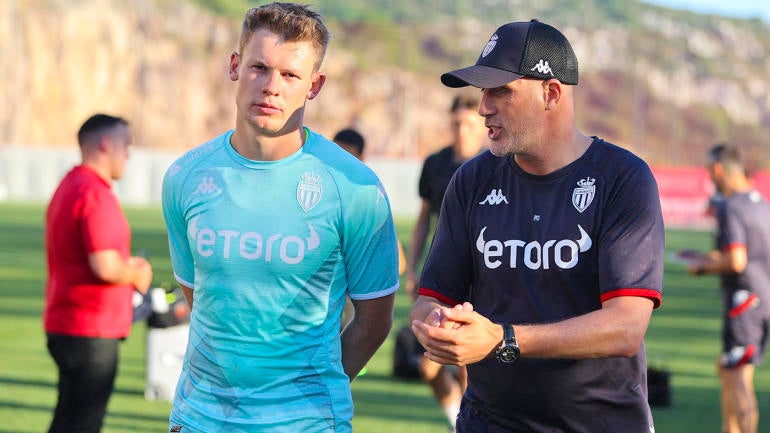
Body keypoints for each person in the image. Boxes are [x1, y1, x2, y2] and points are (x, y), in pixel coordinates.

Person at [409, 19, 665, 433]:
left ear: (551, 93)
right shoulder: (472, 181)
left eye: (500, 91)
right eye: (481, 91)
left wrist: (503, 339)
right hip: (487, 422)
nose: (482, 107)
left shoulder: (623, 178)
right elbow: (430, 299)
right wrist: (439, 327)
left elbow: (625, 327)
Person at [161, 4, 399, 432]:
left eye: (290, 75)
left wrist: (308, 392)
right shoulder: (185, 177)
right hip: (199, 420)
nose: (271, 86)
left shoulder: (354, 188)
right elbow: (200, 297)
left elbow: (375, 319)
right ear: (235, 66)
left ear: (315, 85)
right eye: (259, 67)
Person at [43, 114, 153, 433]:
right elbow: (104, 266)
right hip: (89, 329)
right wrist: (136, 273)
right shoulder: (94, 192)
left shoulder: (71, 183)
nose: (129, 154)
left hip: (69, 322)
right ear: (106, 144)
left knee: (68, 420)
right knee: (82, 424)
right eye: (126, 145)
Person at [403, 93, 486, 431]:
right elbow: (424, 218)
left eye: (468, 124)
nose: (462, 130)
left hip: (480, 278)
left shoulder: (495, 164)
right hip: (442, 276)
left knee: (467, 365)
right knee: (428, 368)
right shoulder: (435, 164)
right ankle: (458, 421)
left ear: (480, 126)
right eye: (456, 124)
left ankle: (467, 426)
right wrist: (412, 267)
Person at [683, 144, 770, 433]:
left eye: (710, 171)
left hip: (745, 302)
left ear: (719, 169)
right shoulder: (759, 203)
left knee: (738, 379)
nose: (709, 177)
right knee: (728, 369)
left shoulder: (731, 205)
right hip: (762, 299)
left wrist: (702, 267)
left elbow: (737, 260)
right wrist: (708, 257)